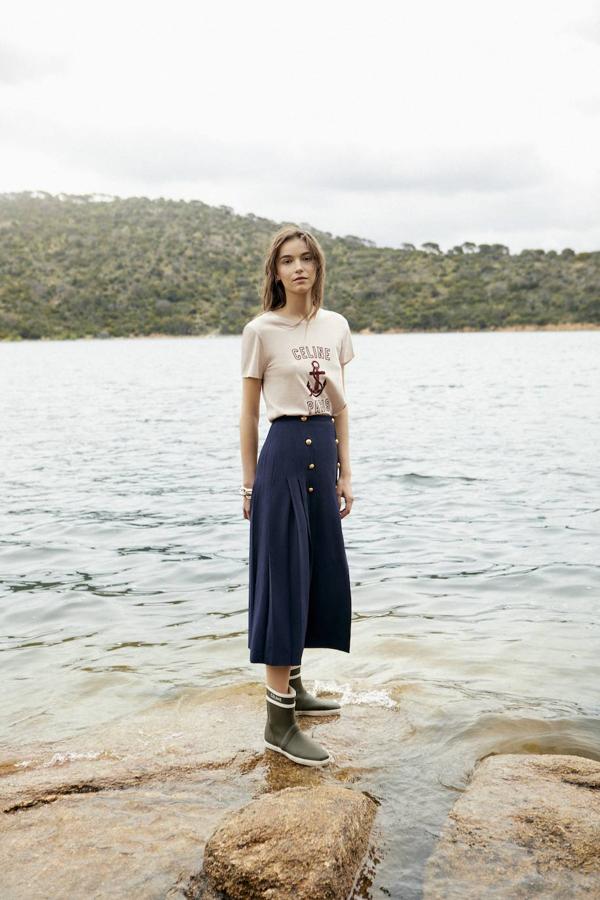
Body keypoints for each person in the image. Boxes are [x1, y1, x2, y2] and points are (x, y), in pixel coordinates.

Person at [239, 225, 355, 767]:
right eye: (288, 261)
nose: (299, 268)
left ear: (317, 266)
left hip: (324, 449)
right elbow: (247, 413)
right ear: (276, 271)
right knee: (281, 577)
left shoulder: (335, 326)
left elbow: (341, 406)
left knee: (314, 571)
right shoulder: (260, 330)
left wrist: (346, 473)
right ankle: (277, 721)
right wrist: (248, 481)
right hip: (283, 451)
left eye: (307, 258)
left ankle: (298, 688)